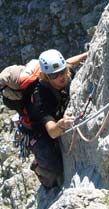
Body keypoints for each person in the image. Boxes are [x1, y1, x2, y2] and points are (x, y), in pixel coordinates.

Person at [26, 49, 88, 189]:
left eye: (62, 71)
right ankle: (39, 168)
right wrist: (61, 125)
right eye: (54, 75)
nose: (61, 77)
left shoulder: (65, 72)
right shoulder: (41, 97)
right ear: (45, 77)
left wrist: (87, 54)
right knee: (55, 171)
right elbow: (52, 131)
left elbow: (70, 62)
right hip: (41, 132)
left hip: (57, 117)